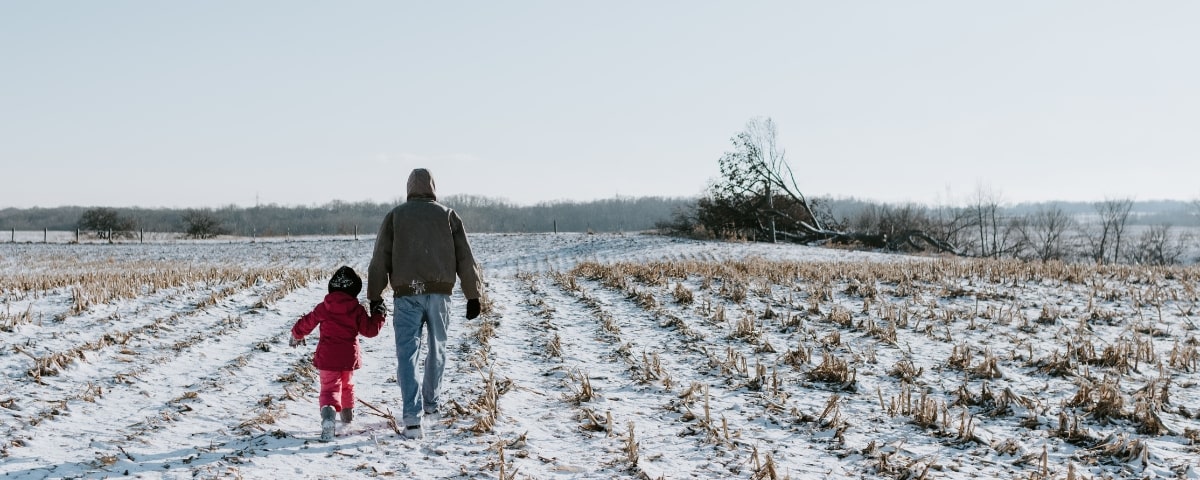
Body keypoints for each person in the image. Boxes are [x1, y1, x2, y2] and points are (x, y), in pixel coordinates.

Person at [368, 168, 484, 440]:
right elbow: (465, 257)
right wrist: (473, 295)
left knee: (407, 354)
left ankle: (411, 418)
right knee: (437, 349)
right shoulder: (448, 215)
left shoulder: (395, 216)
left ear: (409, 187)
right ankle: (431, 407)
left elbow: (379, 258)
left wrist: (375, 296)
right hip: (440, 295)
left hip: (406, 295)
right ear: (433, 187)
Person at [290, 265, 386, 442]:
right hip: (348, 357)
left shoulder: (324, 307)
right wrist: (379, 314)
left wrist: (297, 334)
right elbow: (370, 330)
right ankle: (347, 416)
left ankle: (328, 418)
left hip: (327, 357)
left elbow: (308, 322)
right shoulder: (356, 309)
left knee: (329, 388)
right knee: (347, 385)